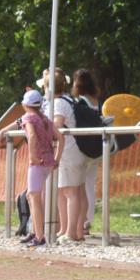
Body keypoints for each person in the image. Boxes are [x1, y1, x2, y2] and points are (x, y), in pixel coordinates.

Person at [0, 89, 63, 248]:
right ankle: (35, 231)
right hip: (48, 161)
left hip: (37, 162)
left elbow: (31, 135)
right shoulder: (44, 118)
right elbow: (60, 137)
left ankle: (40, 237)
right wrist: (57, 159)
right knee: (31, 197)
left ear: (24, 104)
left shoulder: (28, 117)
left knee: (33, 196)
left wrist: (32, 155)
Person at [44, 67, 87, 243]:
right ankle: (66, 229)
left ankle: (71, 232)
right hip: (71, 150)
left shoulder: (60, 104)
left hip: (69, 150)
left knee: (71, 192)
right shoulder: (68, 100)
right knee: (65, 191)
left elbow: (56, 126)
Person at [72, 69, 101, 233]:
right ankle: (88, 220)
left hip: (83, 146)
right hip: (96, 146)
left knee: (80, 185)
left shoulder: (79, 102)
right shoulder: (97, 100)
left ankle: (81, 221)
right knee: (90, 184)